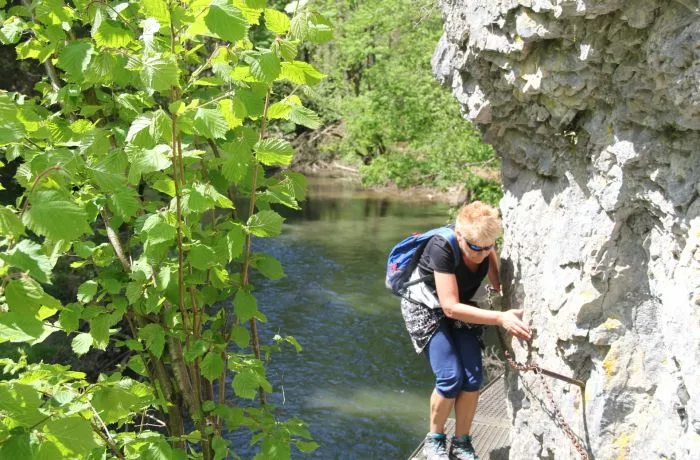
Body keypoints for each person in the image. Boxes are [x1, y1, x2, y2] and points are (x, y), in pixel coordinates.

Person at [400, 201, 531, 460]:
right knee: (450, 377)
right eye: (474, 248)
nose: (481, 254)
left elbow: (495, 280)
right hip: (426, 307)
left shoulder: (484, 243)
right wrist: (499, 318)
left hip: (460, 303)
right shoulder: (442, 247)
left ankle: (461, 442)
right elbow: (449, 308)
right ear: (460, 235)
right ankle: (435, 439)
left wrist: (500, 287)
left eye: (488, 247)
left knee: (472, 377)